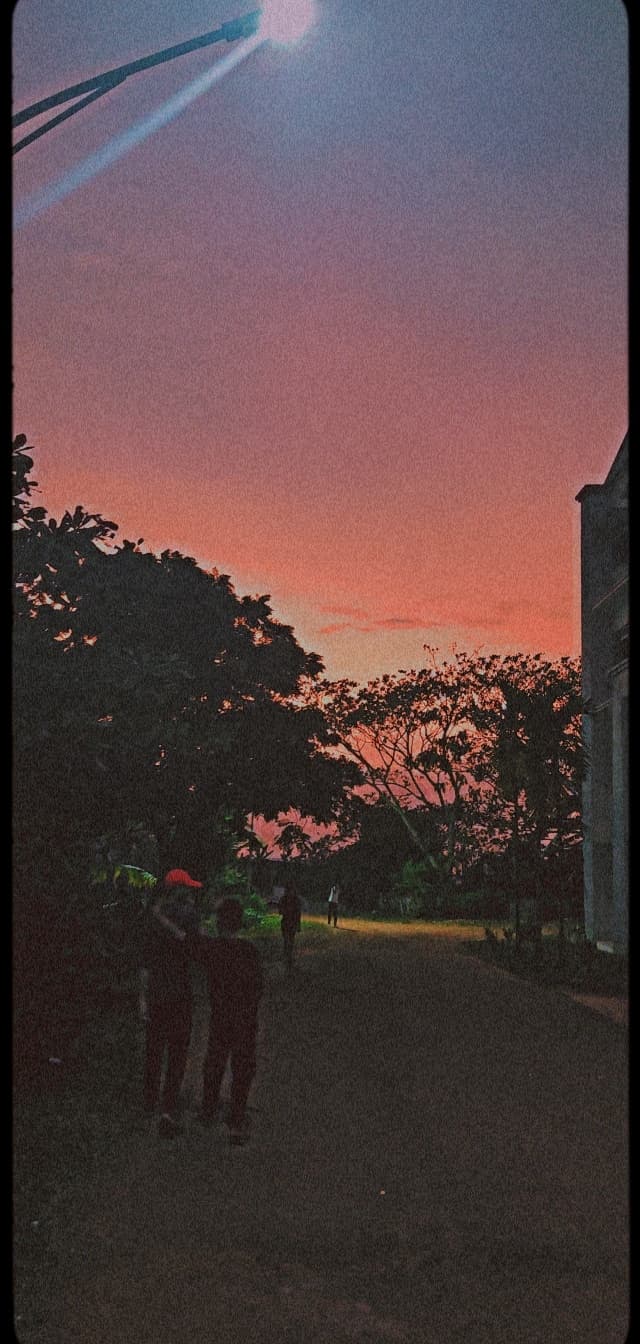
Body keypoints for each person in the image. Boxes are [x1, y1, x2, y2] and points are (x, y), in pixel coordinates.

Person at [139, 868, 202, 1138]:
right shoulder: (189, 916)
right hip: (179, 994)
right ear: (179, 889)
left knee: (154, 1050)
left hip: (157, 993)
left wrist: (142, 998)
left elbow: (144, 962)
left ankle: (150, 1104)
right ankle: (167, 1108)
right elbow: (194, 950)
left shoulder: (152, 918)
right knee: (176, 1053)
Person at [197, 898, 263, 1146]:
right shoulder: (249, 952)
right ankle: (236, 1117)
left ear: (220, 922)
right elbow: (258, 988)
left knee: (215, 1062)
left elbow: (190, 941)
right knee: (242, 1068)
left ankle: (209, 1110)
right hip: (244, 1018)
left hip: (222, 1017)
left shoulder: (214, 949)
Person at [278, 884, 302, 972]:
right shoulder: (283, 899)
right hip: (286, 922)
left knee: (291, 940)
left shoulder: (296, 900)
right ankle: (286, 956)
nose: (290, 892)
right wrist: (286, 911)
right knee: (286, 939)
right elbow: (280, 911)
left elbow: (298, 913)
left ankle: (289, 956)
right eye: (288, 891)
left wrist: (298, 925)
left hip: (292, 922)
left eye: (291, 890)